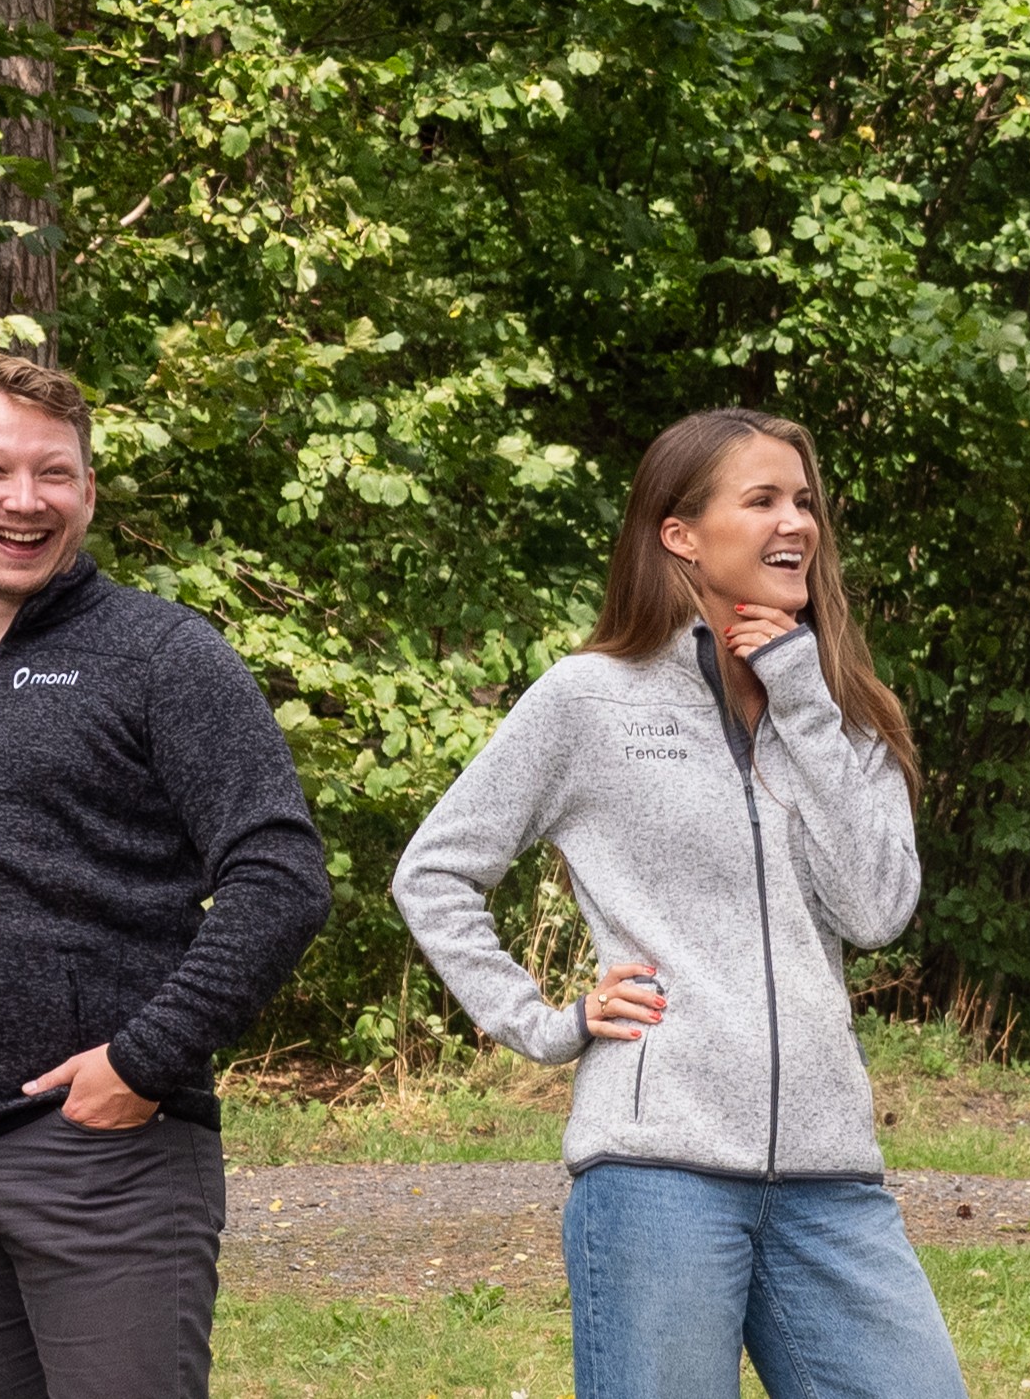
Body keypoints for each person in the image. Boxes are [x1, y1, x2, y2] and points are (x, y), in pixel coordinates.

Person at [391, 407, 965, 1398]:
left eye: (804, 500)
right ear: (680, 534)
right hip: (658, 1172)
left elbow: (875, 910)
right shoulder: (589, 699)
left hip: (830, 1176)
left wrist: (804, 698)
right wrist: (542, 1021)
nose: (796, 521)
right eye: (762, 499)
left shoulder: (842, 713)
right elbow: (433, 871)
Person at [0, 352, 331, 1397]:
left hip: (105, 1157)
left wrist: (147, 1059)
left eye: (54, 473)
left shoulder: (164, 657)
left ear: (88, 492)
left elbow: (280, 875)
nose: (24, 500)